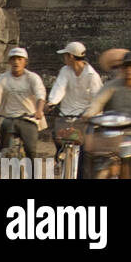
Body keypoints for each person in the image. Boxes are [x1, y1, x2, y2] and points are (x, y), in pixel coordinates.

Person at [82, 52, 131, 178]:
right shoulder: (111, 86)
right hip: (110, 131)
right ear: (122, 69)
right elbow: (98, 101)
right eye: (126, 67)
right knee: (85, 147)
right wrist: (89, 114)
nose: (129, 70)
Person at [46, 40, 102, 174]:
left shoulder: (92, 75)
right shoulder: (65, 71)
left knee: (85, 149)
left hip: (85, 116)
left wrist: (90, 114)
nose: (64, 58)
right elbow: (60, 87)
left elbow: (97, 99)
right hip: (67, 113)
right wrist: (52, 102)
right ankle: (59, 157)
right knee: (56, 135)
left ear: (71, 56)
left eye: (65, 55)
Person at [0, 46, 46, 162]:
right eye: (13, 59)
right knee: (3, 148)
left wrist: (39, 110)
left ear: (25, 62)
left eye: (19, 59)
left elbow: (40, 95)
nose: (16, 62)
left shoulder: (32, 78)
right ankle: (2, 165)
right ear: (9, 61)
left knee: (30, 150)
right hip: (10, 117)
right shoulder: (2, 78)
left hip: (29, 118)